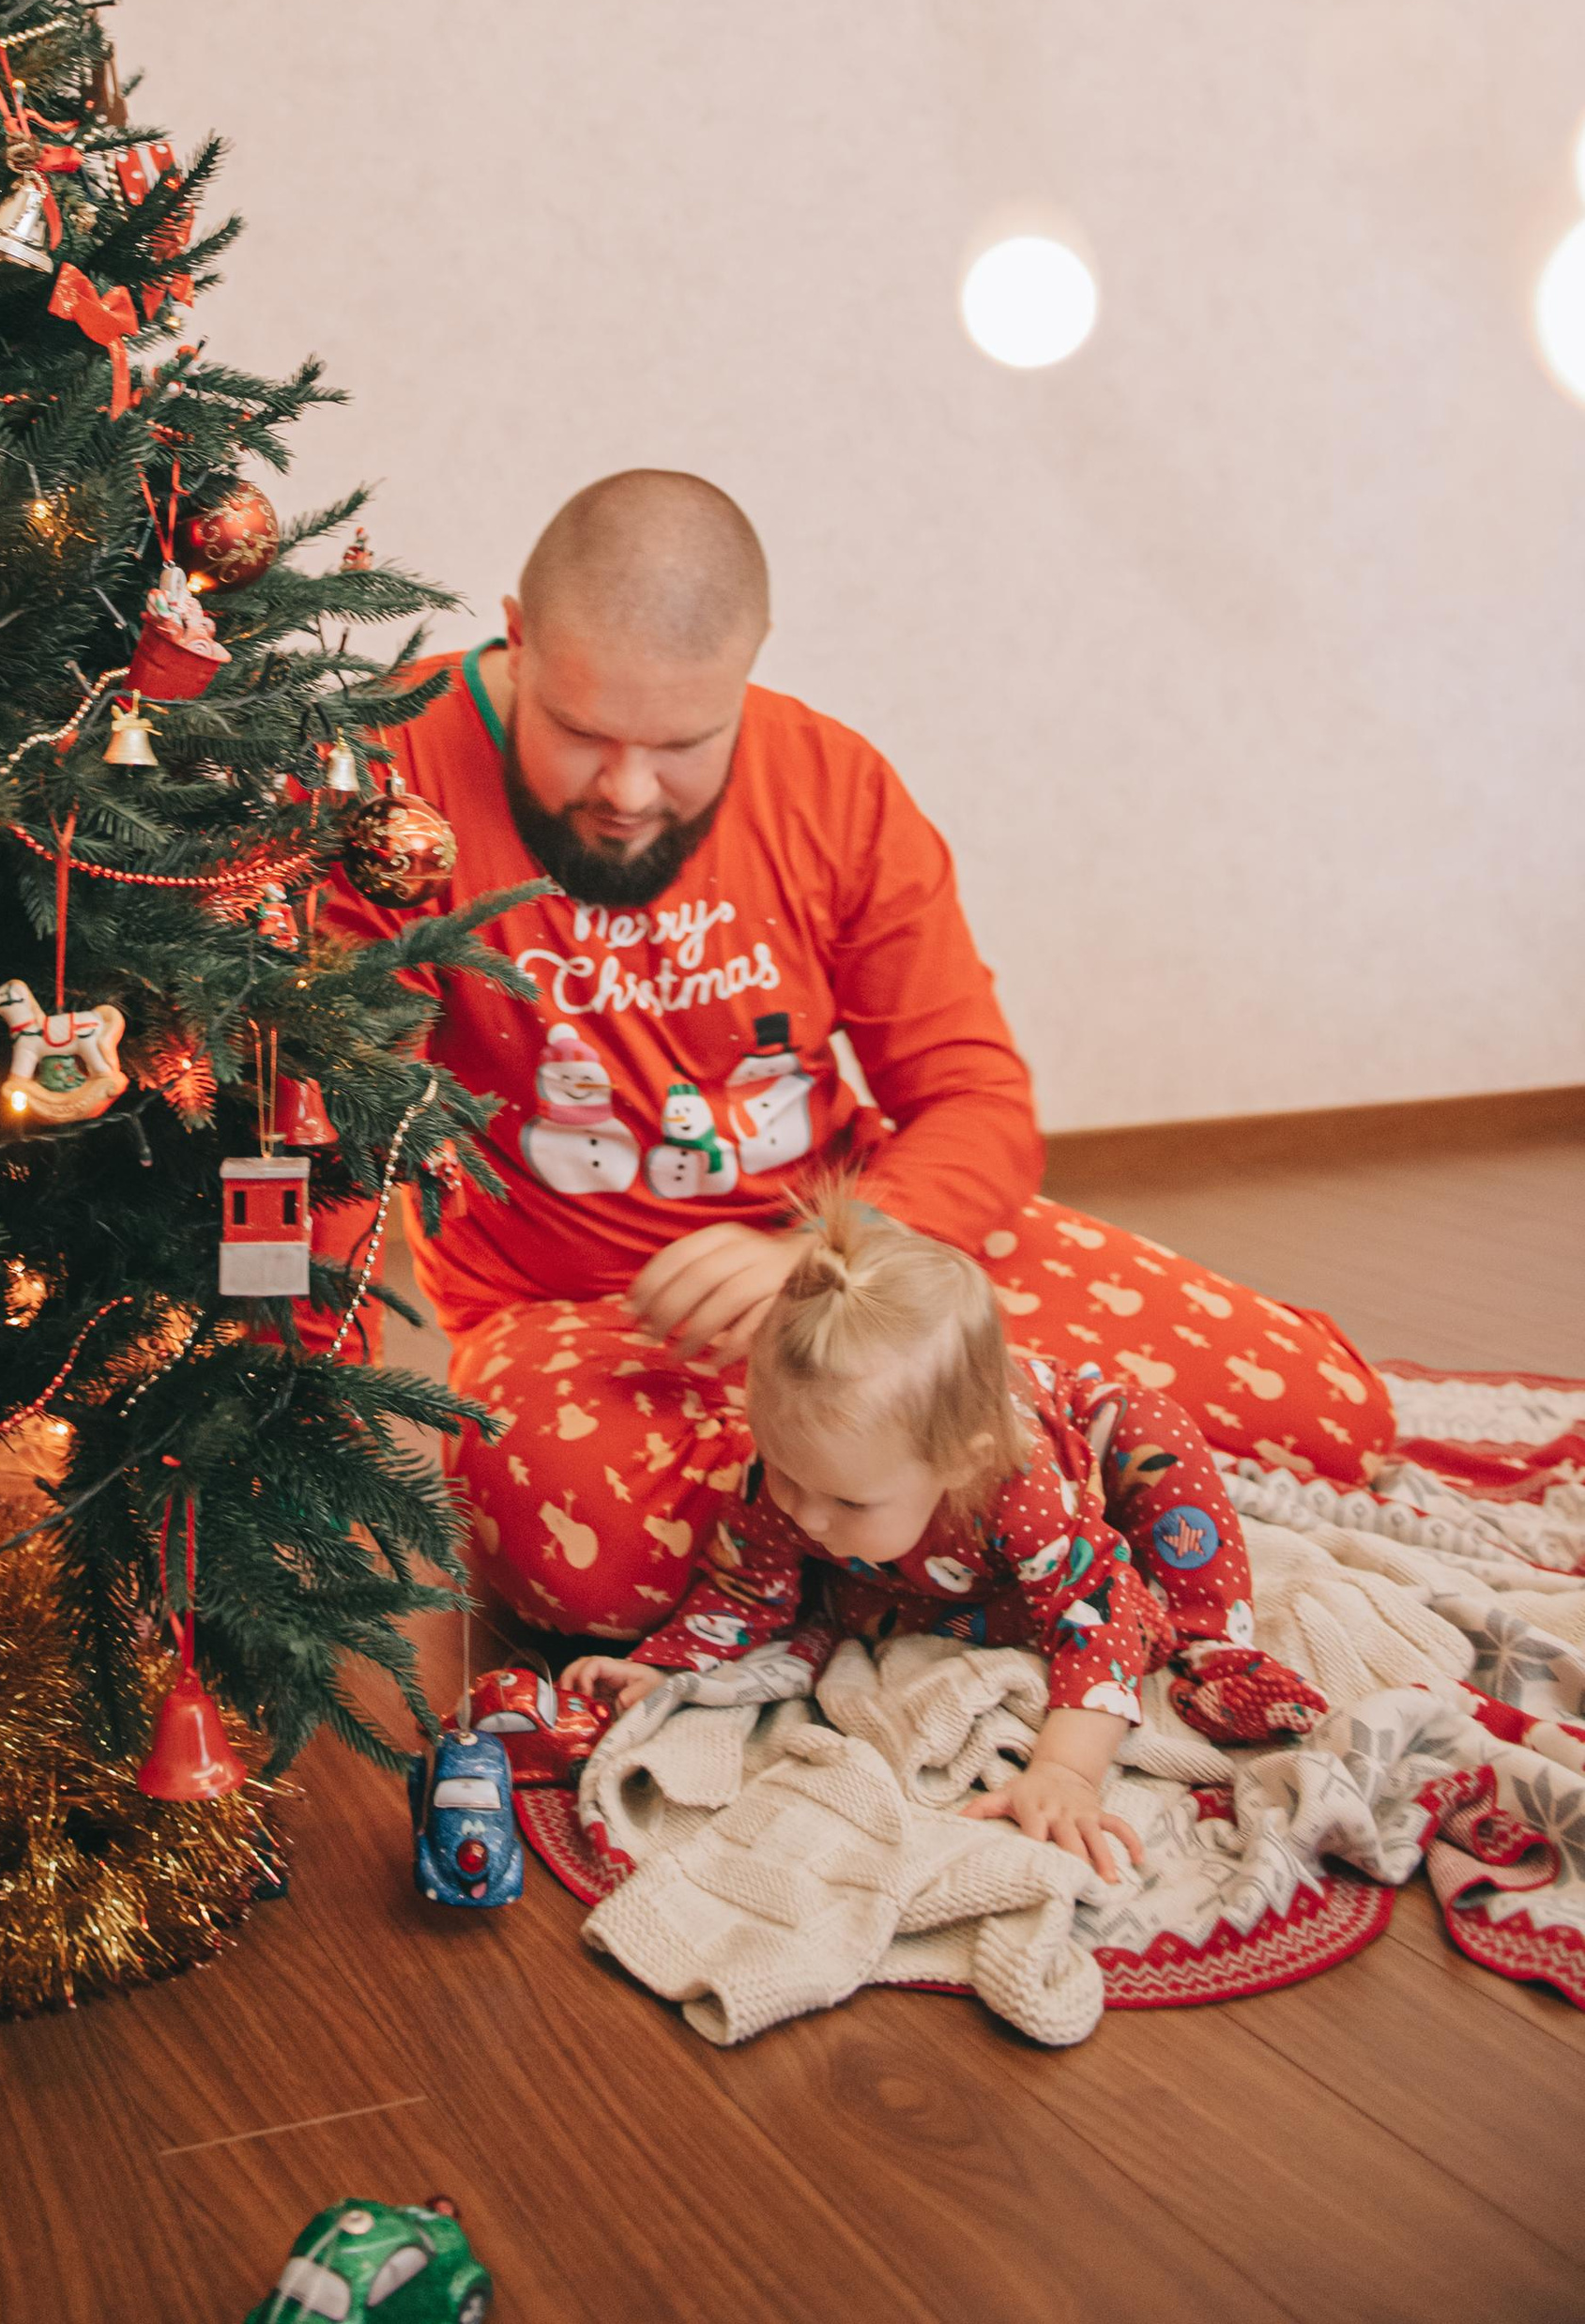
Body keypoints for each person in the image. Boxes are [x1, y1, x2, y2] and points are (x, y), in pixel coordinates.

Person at [328, 467, 1394, 1640]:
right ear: (518, 640)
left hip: (865, 1272)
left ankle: (856, 1531)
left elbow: (976, 1104)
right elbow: (322, 1128)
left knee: (1331, 1419)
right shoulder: (388, 780)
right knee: (584, 1568)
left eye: (682, 743)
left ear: (751, 665)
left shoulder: (834, 784)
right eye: (582, 733)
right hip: (583, 1315)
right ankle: (972, 1517)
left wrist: (834, 1249)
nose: (626, 793)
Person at [564, 1189, 1329, 1884]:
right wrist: (669, 1670)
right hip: (942, 1578)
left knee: (1155, 1437)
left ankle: (1213, 1643)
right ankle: (931, 1587)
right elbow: (745, 1587)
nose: (806, 1515)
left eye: (845, 1500)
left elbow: (1097, 1622)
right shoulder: (799, 1478)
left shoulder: (1022, 1491)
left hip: (1085, 1476)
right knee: (844, 1610)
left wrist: (1064, 1771)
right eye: (784, 1470)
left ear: (960, 1463)